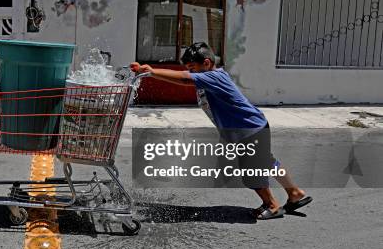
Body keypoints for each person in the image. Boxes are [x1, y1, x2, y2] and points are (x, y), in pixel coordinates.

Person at [130, 42, 312, 220]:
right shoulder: (213, 78)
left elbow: (184, 79)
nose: (190, 71)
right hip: (254, 125)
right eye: (188, 68)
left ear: (207, 64)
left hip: (247, 130)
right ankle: (294, 193)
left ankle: (271, 206)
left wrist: (152, 72)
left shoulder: (214, 76)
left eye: (192, 67)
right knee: (267, 161)